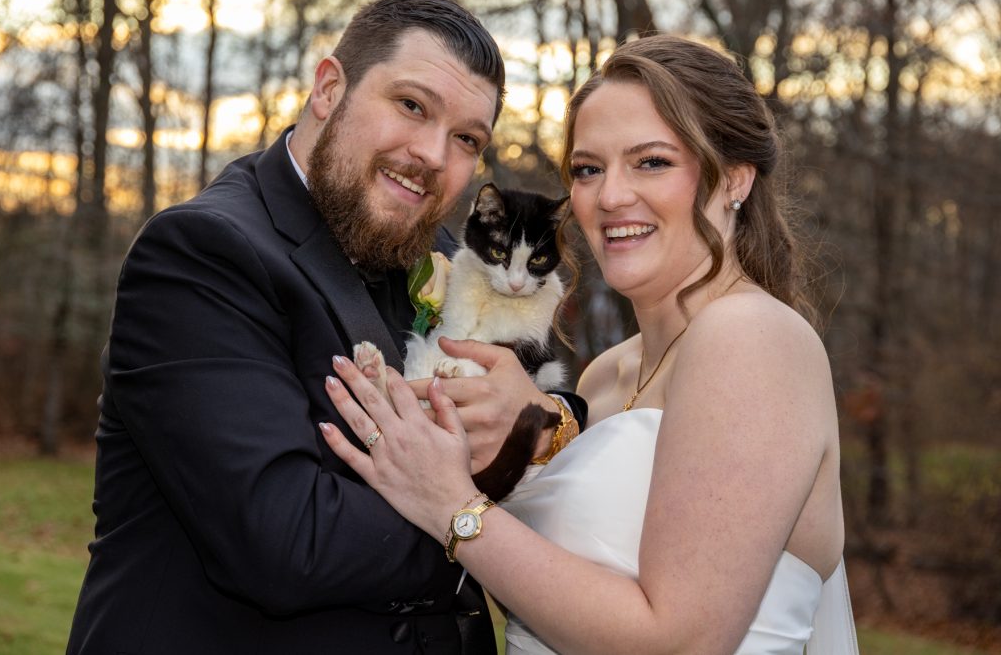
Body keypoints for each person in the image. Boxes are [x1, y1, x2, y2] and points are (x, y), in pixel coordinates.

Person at [67, 0, 583, 655]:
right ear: (329, 88)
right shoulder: (201, 254)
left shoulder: (446, 257)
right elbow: (286, 542)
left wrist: (544, 416)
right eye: (412, 105)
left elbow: (542, 398)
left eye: (466, 140)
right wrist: (475, 518)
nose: (433, 153)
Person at [320, 34, 860, 654]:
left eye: (651, 162)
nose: (610, 197)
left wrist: (451, 507)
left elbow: (683, 642)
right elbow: (550, 591)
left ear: (734, 178)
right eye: (588, 169)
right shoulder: (605, 376)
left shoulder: (750, 338)